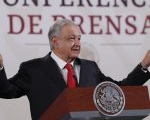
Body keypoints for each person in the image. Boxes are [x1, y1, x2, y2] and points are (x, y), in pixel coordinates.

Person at [0, 19, 150, 120]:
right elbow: (6, 90)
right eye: (71, 39)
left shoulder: (90, 67)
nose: (77, 43)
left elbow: (119, 91)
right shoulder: (33, 69)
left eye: (79, 38)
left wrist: (143, 65)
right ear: (55, 41)